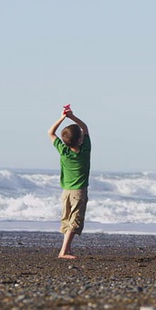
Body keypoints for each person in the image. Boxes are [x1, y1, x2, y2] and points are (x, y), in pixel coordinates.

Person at [47, 105, 91, 259]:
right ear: (80, 140)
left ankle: (67, 249)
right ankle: (64, 251)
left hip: (65, 191)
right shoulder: (84, 150)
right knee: (75, 221)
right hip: (79, 192)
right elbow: (84, 127)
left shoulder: (63, 150)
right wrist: (71, 116)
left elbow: (50, 133)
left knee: (67, 219)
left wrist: (62, 117)